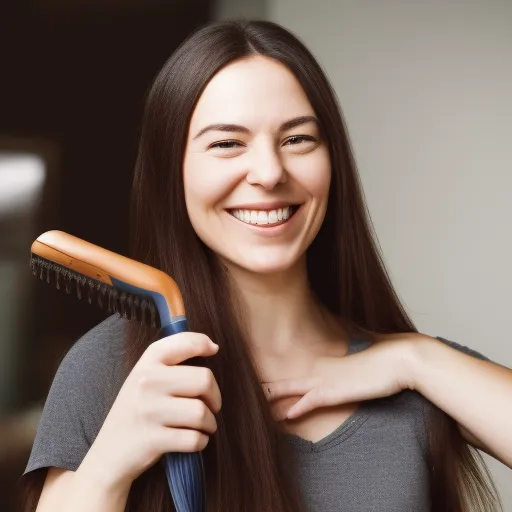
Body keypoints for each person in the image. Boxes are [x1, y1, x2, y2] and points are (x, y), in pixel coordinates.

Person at [19, 18, 511, 512]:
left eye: (298, 139)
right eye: (227, 143)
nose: (271, 172)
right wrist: (111, 463)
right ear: (175, 172)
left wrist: (413, 359)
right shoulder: (112, 367)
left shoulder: (413, 379)